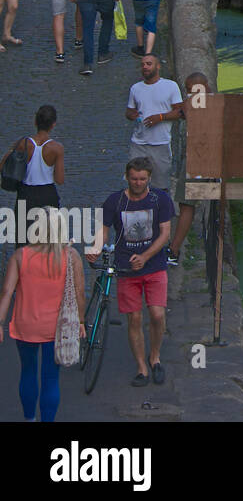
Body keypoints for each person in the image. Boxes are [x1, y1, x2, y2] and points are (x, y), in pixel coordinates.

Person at [87, 158, 173, 386]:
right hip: (126, 268)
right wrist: (95, 247)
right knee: (134, 318)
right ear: (127, 177)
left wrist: (145, 257)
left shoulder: (160, 199)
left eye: (142, 179)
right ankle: (141, 368)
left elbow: (164, 234)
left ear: (149, 178)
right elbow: (104, 231)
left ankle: (155, 356)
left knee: (157, 314)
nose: (138, 183)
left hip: (154, 265)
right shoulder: (114, 201)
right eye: (134, 178)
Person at [0, 210, 85, 421]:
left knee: (27, 372)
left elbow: (7, 292)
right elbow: (79, 293)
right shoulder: (71, 257)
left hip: (25, 325)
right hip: (55, 328)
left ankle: (29, 418)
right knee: (51, 379)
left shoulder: (21, 256)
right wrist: (81, 321)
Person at [167, 72, 211, 266]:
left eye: (189, 89)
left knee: (186, 206)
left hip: (196, 160)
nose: (187, 93)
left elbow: (180, 109)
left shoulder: (192, 104)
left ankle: (174, 250)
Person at [125, 54, 184, 186]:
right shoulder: (135, 88)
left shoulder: (171, 86)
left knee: (160, 186)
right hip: (138, 144)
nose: (145, 67)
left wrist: (161, 117)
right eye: (143, 64)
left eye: (149, 64)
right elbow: (129, 111)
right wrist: (131, 115)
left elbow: (179, 112)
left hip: (160, 144)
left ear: (158, 66)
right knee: (136, 184)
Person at [11, 105, 65, 213]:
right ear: (53, 125)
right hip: (47, 195)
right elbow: (59, 180)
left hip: (26, 194)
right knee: (49, 229)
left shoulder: (23, 144)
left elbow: (4, 167)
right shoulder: (57, 148)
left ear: (35, 122)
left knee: (23, 230)